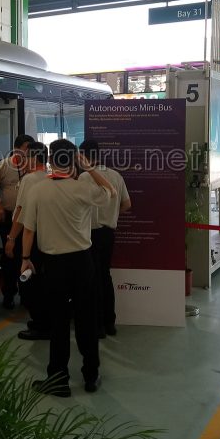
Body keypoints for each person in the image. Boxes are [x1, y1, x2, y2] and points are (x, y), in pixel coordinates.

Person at [19, 139, 114, 397]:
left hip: (54, 265)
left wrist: (26, 258)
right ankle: (91, 375)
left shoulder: (37, 190)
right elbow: (110, 193)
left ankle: (58, 379)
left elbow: (28, 230)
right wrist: (89, 169)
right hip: (83, 263)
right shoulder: (82, 189)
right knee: (86, 319)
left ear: (50, 160)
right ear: (73, 160)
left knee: (59, 321)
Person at [78, 140, 131, 337]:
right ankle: (110, 323)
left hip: (88, 234)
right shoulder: (116, 176)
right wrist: (112, 214)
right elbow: (127, 204)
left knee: (92, 279)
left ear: (83, 156)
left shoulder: (83, 178)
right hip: (108, 233)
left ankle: (97, 325)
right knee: (105, 276)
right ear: (98, 155)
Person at [5, 142, 51, 340]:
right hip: (49, 238)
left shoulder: (30, 180)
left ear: (34, 158)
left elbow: (21, 212)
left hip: (32, 239)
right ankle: (44, 322)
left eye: (26, 156)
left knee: (30, 282)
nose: (23, 160)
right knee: (44, 281)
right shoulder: (50, 176)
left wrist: (11, 238)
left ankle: (40, 324)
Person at [0, 133, 35, 309]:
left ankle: (26, 294)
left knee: (27, 255)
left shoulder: (32, 166)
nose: (28, 152)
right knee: (9, 257)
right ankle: (8, 294)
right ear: (17, 149)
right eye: (26, 149)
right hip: (9, 217)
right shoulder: (4, 165)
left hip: (28, 218)